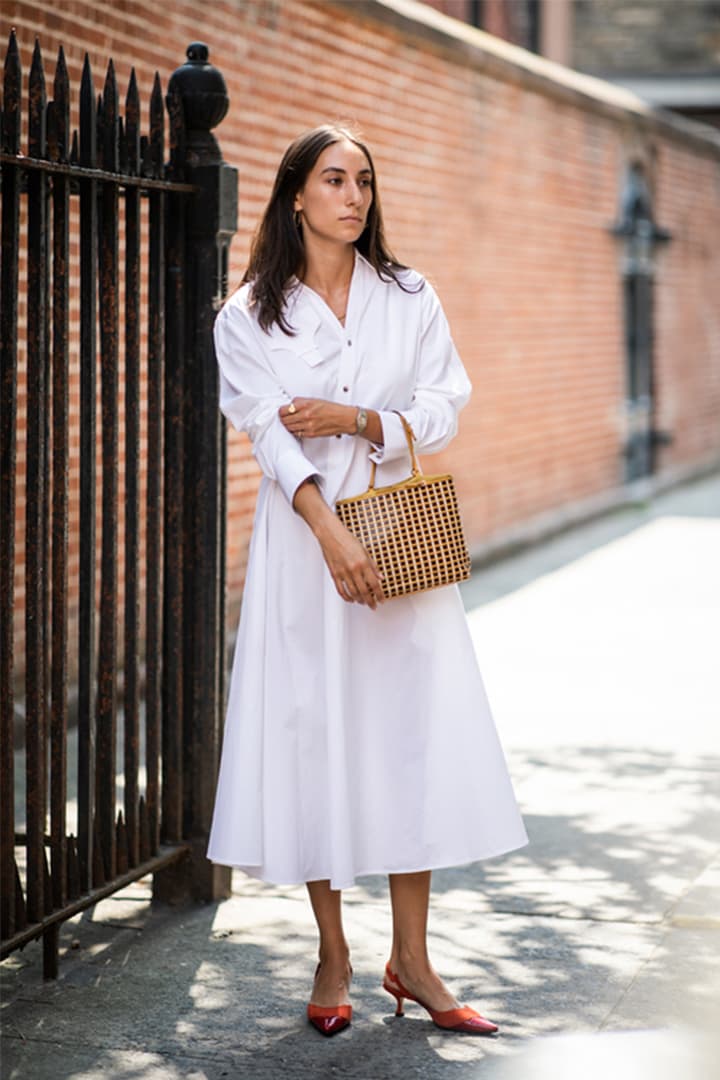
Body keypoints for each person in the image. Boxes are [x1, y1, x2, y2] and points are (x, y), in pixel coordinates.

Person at [207, 124, 527, 1038]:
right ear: (296, 195)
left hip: (400, 542)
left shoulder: (410, 296)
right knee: (317, 732)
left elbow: (445, 404)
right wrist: (328, 533)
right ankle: (334, 950)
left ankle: (414, 958)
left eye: (365, 182)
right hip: (308, 550)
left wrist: (357, 417)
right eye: (334, 180)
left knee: (405, 736)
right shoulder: (247, 318)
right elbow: (268, 435)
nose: (353, 196)